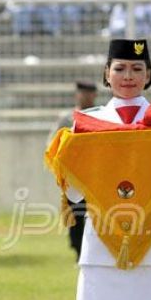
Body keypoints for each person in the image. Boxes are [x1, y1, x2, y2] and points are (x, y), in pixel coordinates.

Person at [46, 39, 151, 300]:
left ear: (149, 74)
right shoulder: (86, 124)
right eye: (120, 68)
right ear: (106, 74)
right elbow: (75, 194)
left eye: (137, 68)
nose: (128, 76)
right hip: (102, 246)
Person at [48, 80, 98, 260]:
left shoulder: (101, 116)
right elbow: (53, 144)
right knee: (76, 212)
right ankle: (78, 250)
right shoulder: (66, 119)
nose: (85, 96)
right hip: (74, 175)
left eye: (89, 92)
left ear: (95, 95)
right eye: (81, 92)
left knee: (97, 213)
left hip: (96, 174)